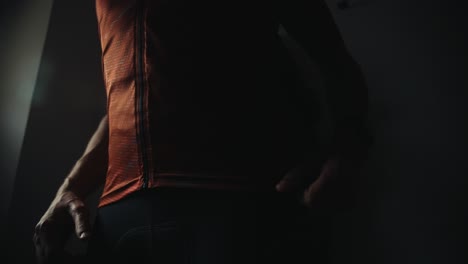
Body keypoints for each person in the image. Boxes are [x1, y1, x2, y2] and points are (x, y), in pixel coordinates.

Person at [33, 0, 371, 263]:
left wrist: (348, 153)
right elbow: (132, 96)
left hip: (238, 204)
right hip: (121, 219)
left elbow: (335, 62)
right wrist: (69, 189)